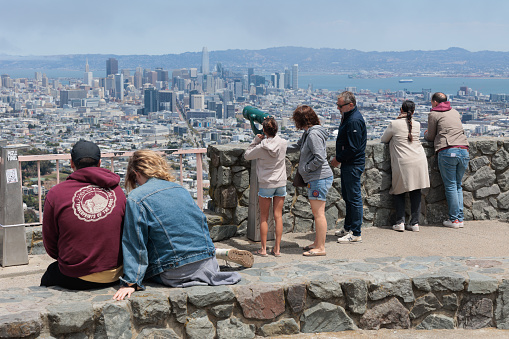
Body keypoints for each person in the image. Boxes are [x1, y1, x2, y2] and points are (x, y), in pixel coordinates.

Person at [113, 150, 246, 301]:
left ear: (136, 174)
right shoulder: (180, 189)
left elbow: (135, 242)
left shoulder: (136, 198)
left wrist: (131, 282)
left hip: (176, 272)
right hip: (209, 263)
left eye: (134, 180)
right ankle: (217, 252)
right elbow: (201, 222)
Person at [41, 140, 126, 290]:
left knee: (49, 277)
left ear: (72, 163)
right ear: (99, 163)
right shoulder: (117, 191)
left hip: (76, 275)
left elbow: (50, 243)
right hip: (117, 273)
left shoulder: (56, 194)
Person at [288, 105, 333, 256]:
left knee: (319, 213)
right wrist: (278, 145)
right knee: (317, 212)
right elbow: (298, 146)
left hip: (318, 177)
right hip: (316, 177)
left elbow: (320, 157)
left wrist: (306, 168)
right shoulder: (309, 133)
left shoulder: (313, 135)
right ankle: (317, 243)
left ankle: (320, 248)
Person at [381, 100, 430, 232]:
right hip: (419, 159)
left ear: (400, 109)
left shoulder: (394, 124)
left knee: (399, 190)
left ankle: (400, 222)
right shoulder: (417, 124)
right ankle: (414, 223)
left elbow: (383, 139)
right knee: (416, 190)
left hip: (403, 160)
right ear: (413, 111)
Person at [425, 92, 469, 228]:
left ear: (435, 102)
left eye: (431, 102)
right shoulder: (455, 112)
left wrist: (426, 134)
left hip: (448, 150)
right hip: (464, 149)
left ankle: (454, 219)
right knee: (457, 185)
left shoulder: (434, 114)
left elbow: (431, 136)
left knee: (450, 185)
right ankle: (460, 219)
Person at [244, 117, 287, 257]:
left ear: (264, 130)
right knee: (278, 216)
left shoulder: (262, 147)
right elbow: (277, 139)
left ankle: (263, 249)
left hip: (266, 183)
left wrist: (256, 140)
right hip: (280, 183)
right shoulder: (283, 143)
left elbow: (247, 155)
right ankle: (277, 249)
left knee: (264, 217)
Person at [331, 91, 367, 243]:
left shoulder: (353, 121)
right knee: (348, 197)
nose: (338, 108)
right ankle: (348, 227)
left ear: (350, 105)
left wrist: (338, 159)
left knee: (354, 198)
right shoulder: (349, 117)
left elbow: (354, 148)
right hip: (349, 163)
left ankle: (356, 232)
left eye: (340, 106)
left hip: (352, 164)